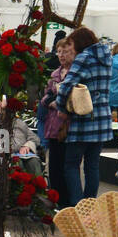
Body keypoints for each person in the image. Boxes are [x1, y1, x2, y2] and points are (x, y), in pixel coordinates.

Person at [56, 26, 113, 203]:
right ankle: (89, 205)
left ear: (80, 43)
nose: (71, 48)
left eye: (72, 44)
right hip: (103, 118)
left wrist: (62, 108)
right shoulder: (107, 58)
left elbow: (66, 86)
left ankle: (78, 206)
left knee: (72, 165)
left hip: (84, 119)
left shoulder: (84, 57)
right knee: (92, 166)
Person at [42, 35, 75, 209]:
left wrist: (58, 102)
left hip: (68, 127)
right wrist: (51, 100)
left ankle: (66, 202)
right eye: (59, 51)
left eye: (66, 52)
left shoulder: (74, 74)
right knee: (53, 164)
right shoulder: (55, 74)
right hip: (52, 125)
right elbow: (45, 97)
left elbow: (75, 99)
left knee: (66, 165)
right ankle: (55, 199)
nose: (61, 55)